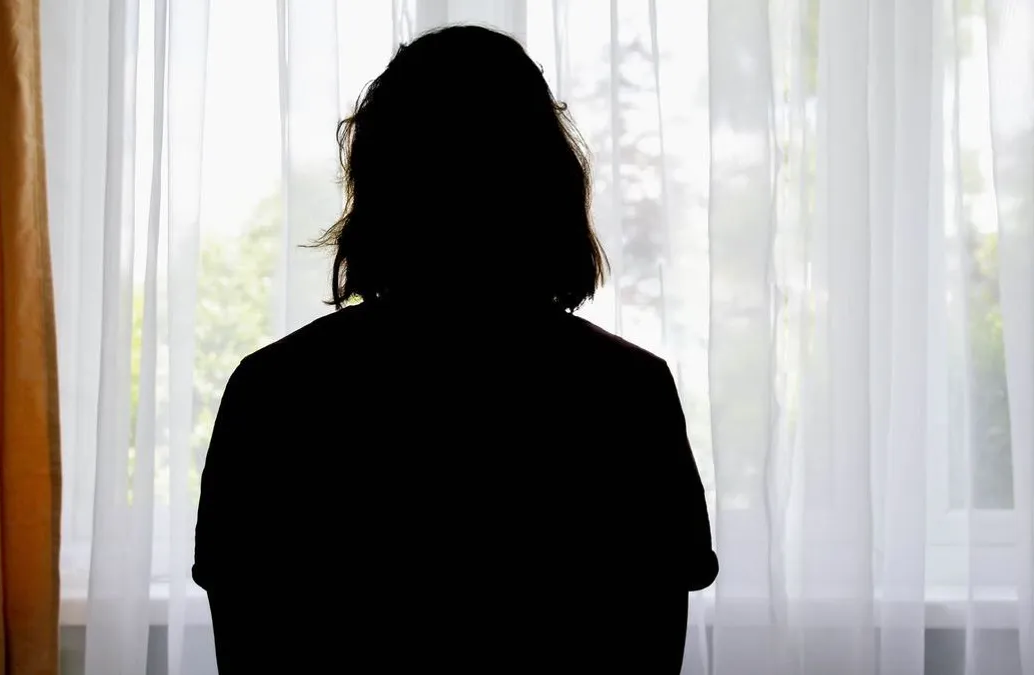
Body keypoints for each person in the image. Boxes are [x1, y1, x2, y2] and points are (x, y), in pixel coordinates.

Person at [192, 24, 717, 674]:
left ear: (378, 185)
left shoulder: (273, 392)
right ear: (549, 184)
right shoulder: (629, 393)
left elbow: (249, 646)